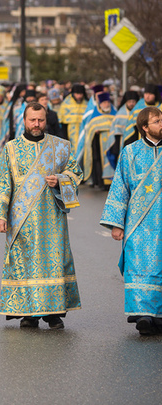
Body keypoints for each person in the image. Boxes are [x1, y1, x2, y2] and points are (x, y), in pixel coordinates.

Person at [0, 102, 82, 329]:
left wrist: (61, 180)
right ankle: (28, 313)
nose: (36, 124)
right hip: (21, 220)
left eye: (41, 120)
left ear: (46, 120)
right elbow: (1, 183)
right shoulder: (11, 148)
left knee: (53, 263)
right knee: (24, 264)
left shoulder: (60, 147)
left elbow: (76, 173)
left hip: (52, 219)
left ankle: (54, 313)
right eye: (32, 120)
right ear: (23, 121)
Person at [100, 106, 162, 335]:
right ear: (145, 127)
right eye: (157, 121)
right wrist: (116, 224)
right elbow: (119, 189)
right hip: (139, 224)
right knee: (140, 267)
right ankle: (143, 315)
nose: (161, 124)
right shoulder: (130, 152)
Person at [80, 92, 116, 189]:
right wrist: (95, 132)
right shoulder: (94, 115)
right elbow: (90, 129)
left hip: (113, 144)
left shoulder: (115, 114)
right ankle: (101, 182)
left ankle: (111, 181)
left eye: (107, 103)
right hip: (98, 144)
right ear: (100, 104)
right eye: (104, 103)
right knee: (99, 162)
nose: (106, 105)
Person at [106, 90, 140, 165]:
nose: (131, 104)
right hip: (123, 143)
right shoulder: (120, 114)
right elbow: (115, 134)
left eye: (133, 102)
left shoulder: (140, 112)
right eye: (129, 101)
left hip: (137, 142)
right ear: (126, 102)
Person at [58, 83, 88, 157]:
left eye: (81, 94)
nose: (79, 96)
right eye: (77, 94)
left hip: (84, 130)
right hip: (70, 130)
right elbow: (62, 120)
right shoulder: (66, 102)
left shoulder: (87, 103)